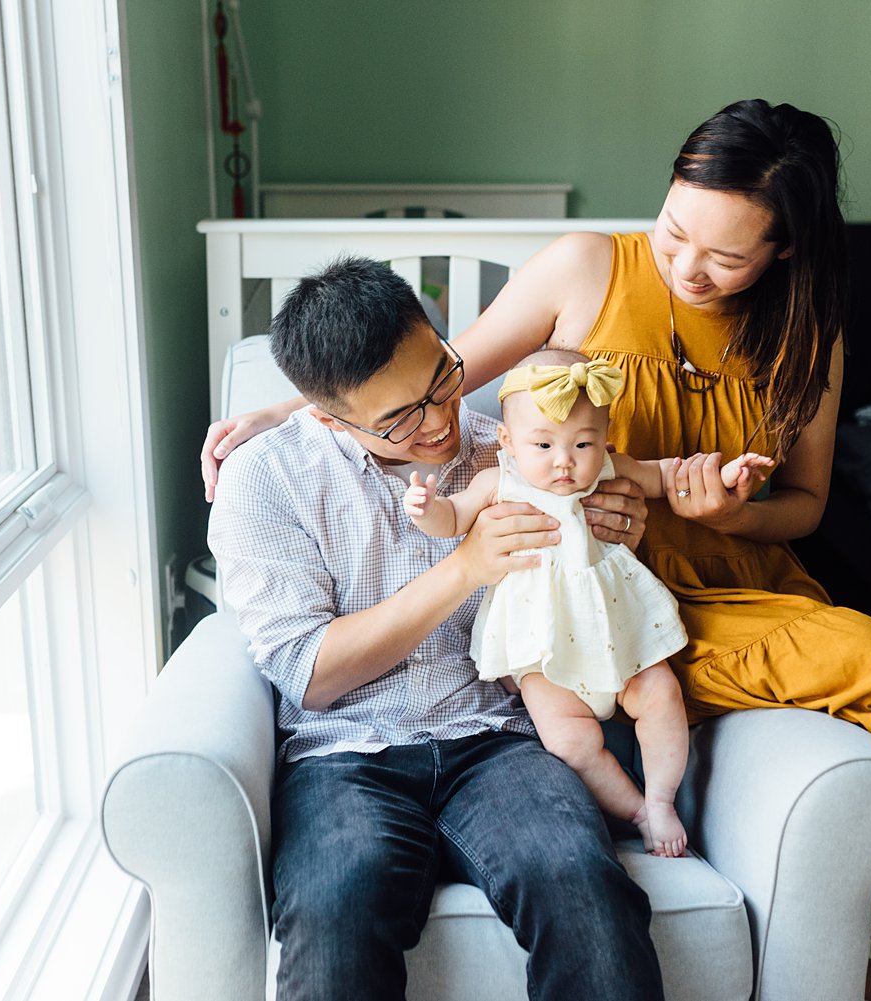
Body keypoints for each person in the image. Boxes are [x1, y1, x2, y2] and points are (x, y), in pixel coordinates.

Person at [201, 100, 871, 1001]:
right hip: (526, 643)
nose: (687, 266)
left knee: (861, 670)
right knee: (344, 910)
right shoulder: (572, 286)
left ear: (784, 251)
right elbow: (421, 383)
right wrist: (280, 414)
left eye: (724, 255)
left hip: (625, 640)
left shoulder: (784, 343)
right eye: (675, 229)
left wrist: (722, 511)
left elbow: (801, 505)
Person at [207, 256, 665, 1000]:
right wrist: (464, 567)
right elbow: (309, 673)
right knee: (334, 919)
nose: (441, 419)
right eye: (400, 418)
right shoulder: (266, 479)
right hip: (342, 755)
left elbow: (599, 564)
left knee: (586, 888)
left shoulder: (516, 452)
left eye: (443, 378)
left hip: (499, 741)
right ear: (325, 416)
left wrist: (622, 525)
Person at [403, 347, 773, 858]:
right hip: (543, 644)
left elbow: (668, 477)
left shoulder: (607, 469)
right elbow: (451, 520)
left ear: (605, 438)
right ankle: (635, 809)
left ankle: (663, 800)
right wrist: (426, 510)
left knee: (661, 697)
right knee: (568, 743)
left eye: (583, 442)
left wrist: (726, 477)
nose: (564, 461)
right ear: (508, 442)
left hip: (618, 627)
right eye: (543, 444)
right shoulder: (498, 481)